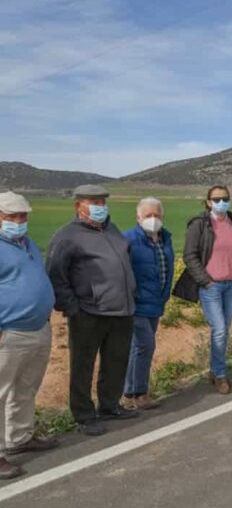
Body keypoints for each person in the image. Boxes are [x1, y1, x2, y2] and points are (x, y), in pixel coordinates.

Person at [47, 185, 138, 436]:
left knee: (116, 361)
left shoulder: (112, 229)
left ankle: (110, 406)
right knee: (83, 366)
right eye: (94, 202)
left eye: (102, 202)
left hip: (121, 310)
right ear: (79, 206)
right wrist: (73, 308)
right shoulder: (67, 235)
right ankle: (84, 415)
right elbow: (56, 274)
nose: (100, 207)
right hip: (88, 312)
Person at [0, 192, 59, 479]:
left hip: (38, 328)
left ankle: (19, 437)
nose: (19, 221)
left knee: (26, 387)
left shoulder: (27, 243)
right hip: (8, 332)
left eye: (23, 216)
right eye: (12, 216)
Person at [181, 185, 232, 395]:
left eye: (225, 198)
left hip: (231, 284)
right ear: (208, 202)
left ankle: (214, 369)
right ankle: (220, 375)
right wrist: (205, 280)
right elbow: (189, 255)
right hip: (211, 286)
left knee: (224, 329)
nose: (221, 202)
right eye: (216, 199)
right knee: (219, 329)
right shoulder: (200, 224)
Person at [122, 197, 174, 410]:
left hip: (156, 301)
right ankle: (141, 393)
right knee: (146, 345)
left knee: (138, 347)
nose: (153, 219)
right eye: (148, 215)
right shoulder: (128, 240)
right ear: (138, 217)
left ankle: (128, 392)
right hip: (136, 304)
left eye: (157, 215)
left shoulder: (165, 239)